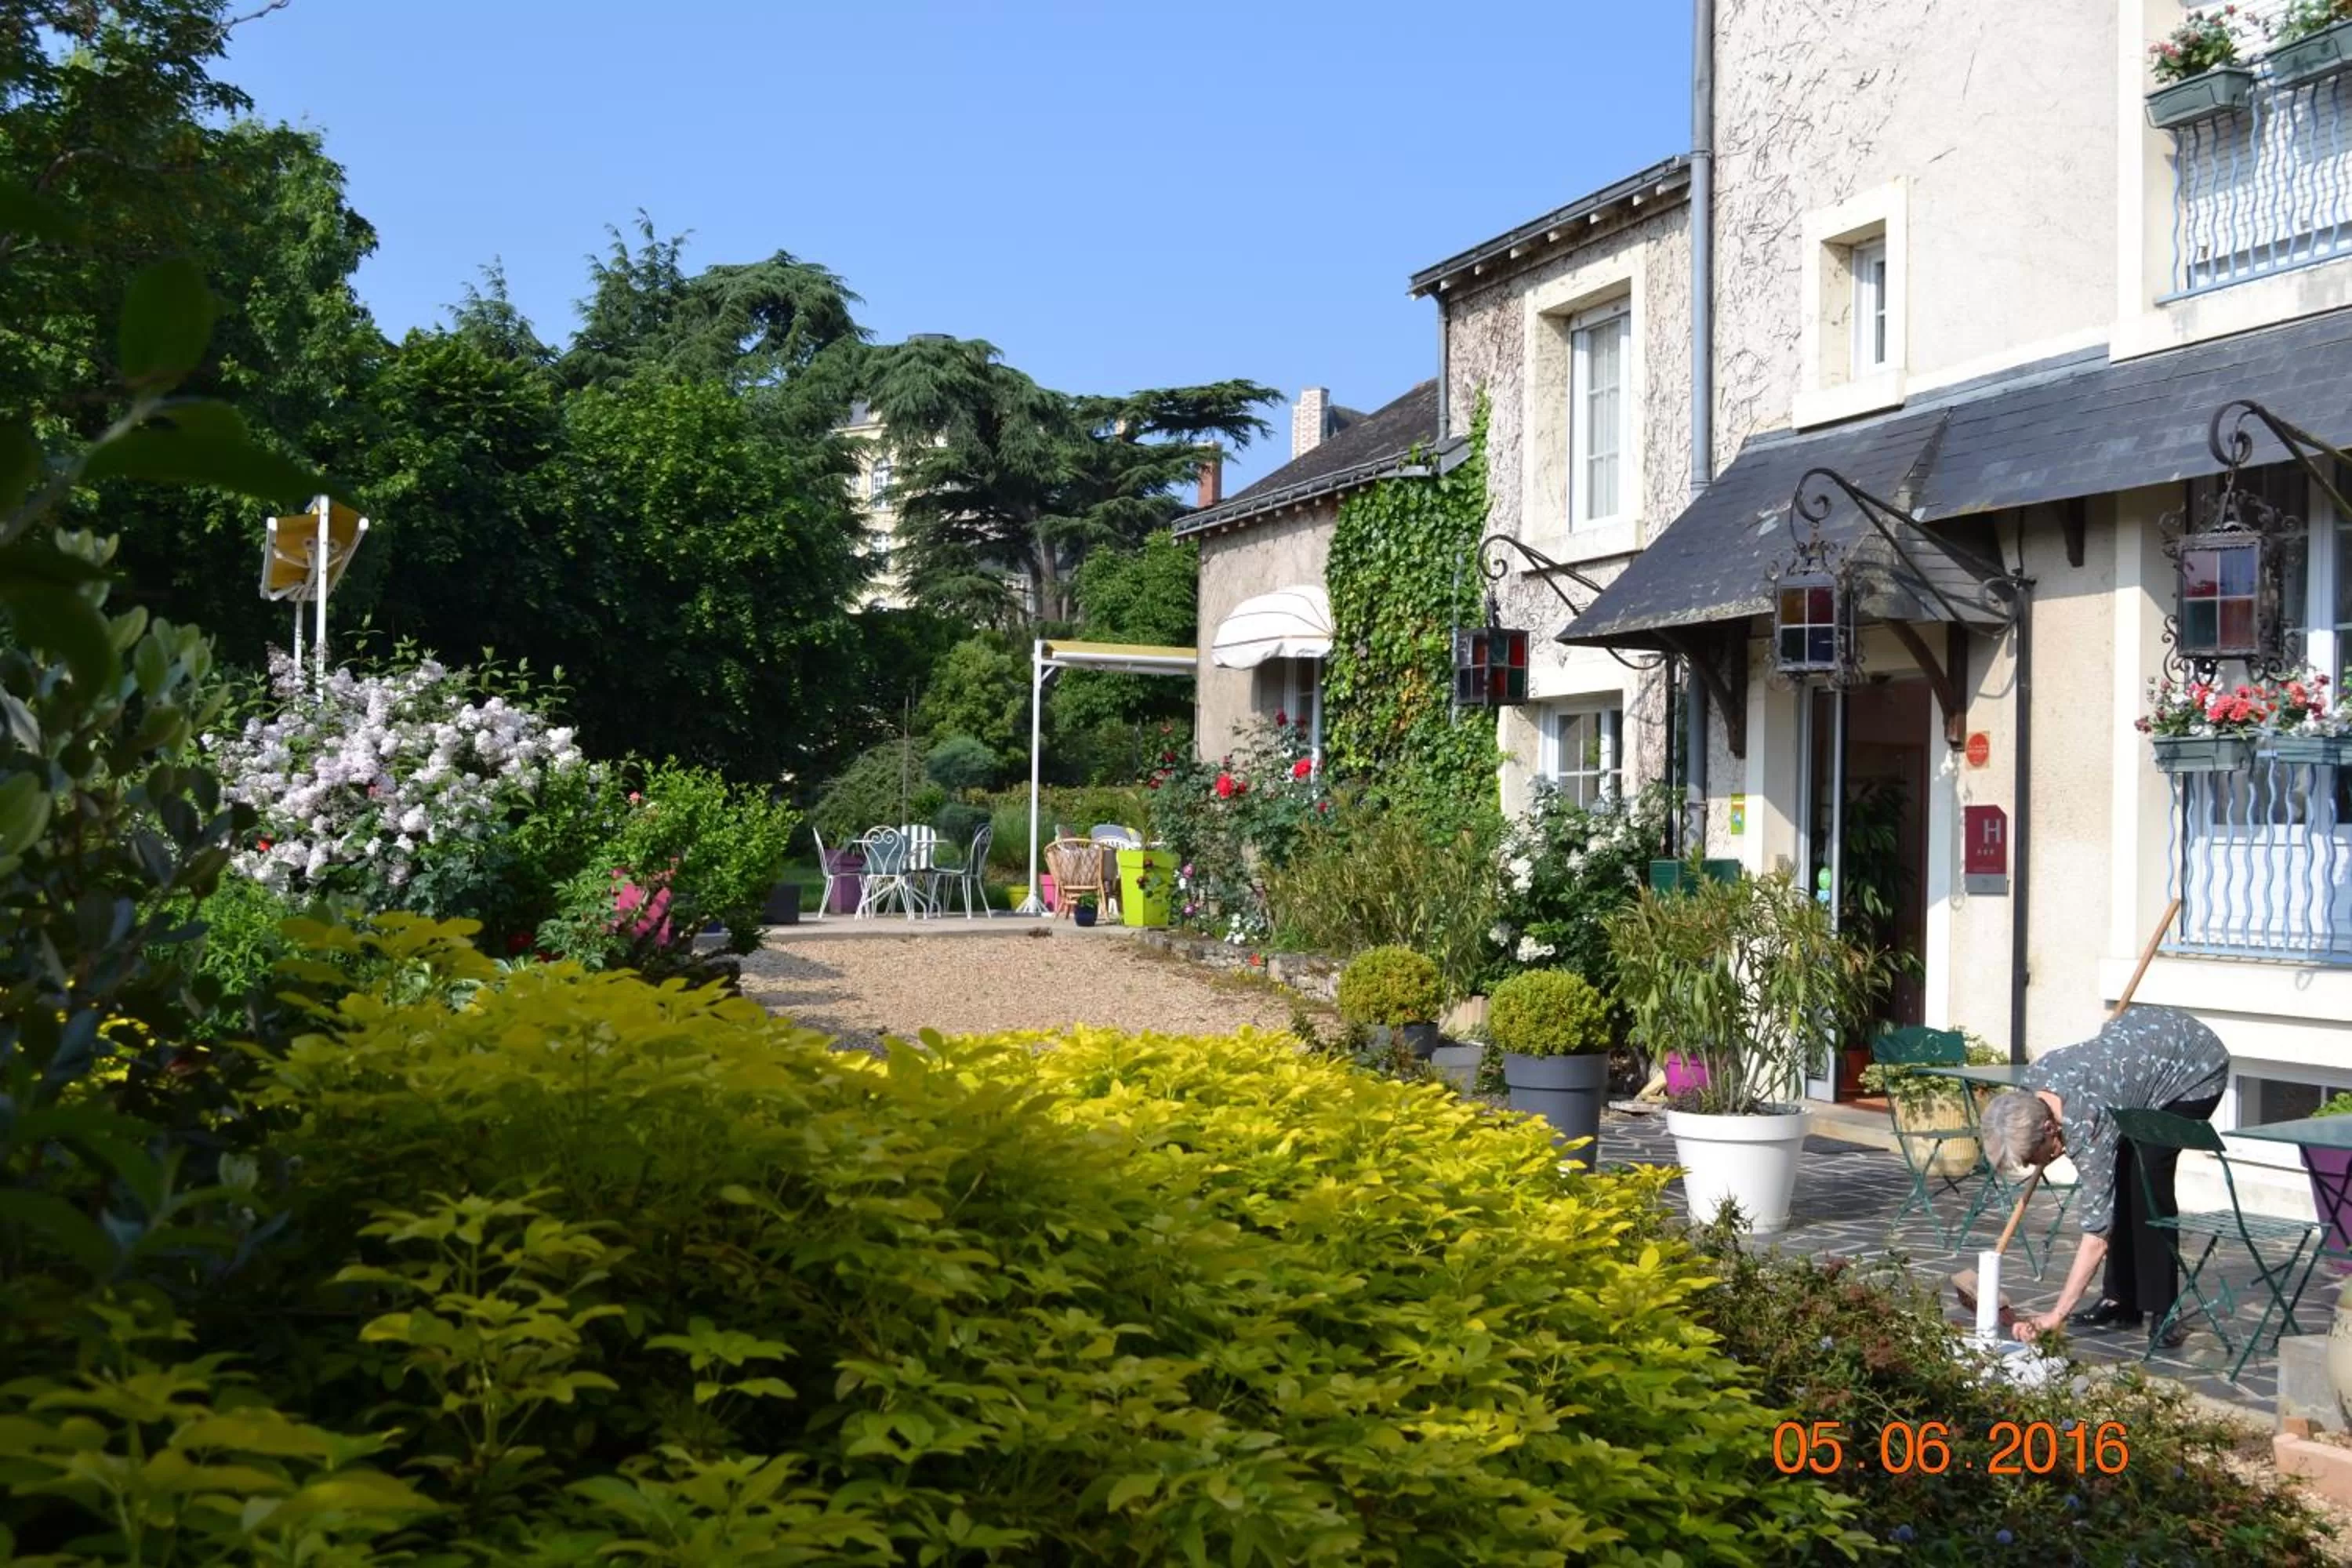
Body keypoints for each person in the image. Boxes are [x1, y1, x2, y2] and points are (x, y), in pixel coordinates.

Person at [1976, 1004, 2229, 1348]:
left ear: (2049, 1128)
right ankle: (2121, 1301)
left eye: (2033, 1157)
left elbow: (2096, 1235)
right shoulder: (2030, 1088)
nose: (2035, 1166)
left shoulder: (2087, 1124)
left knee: (2146, 1177)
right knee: (2118, 1179)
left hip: (2193, 1066)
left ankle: (2164, 1309)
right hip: (2141, 1052)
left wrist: (2056, 1315)